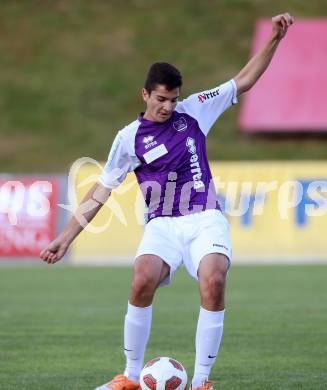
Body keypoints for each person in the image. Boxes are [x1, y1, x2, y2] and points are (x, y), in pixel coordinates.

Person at [40, 13, 294, 390]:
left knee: (214, 279)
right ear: (145, 94)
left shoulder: (194, 110)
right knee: (141, 279)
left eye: (173, 100)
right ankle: (129, 377)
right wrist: (66, 237)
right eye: (161, 99)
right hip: (163, 224)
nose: (168, 107)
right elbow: (101, 190)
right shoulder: (128, 139)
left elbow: (244, 81)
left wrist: (274, 38)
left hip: (205, 217)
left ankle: (202, 382)